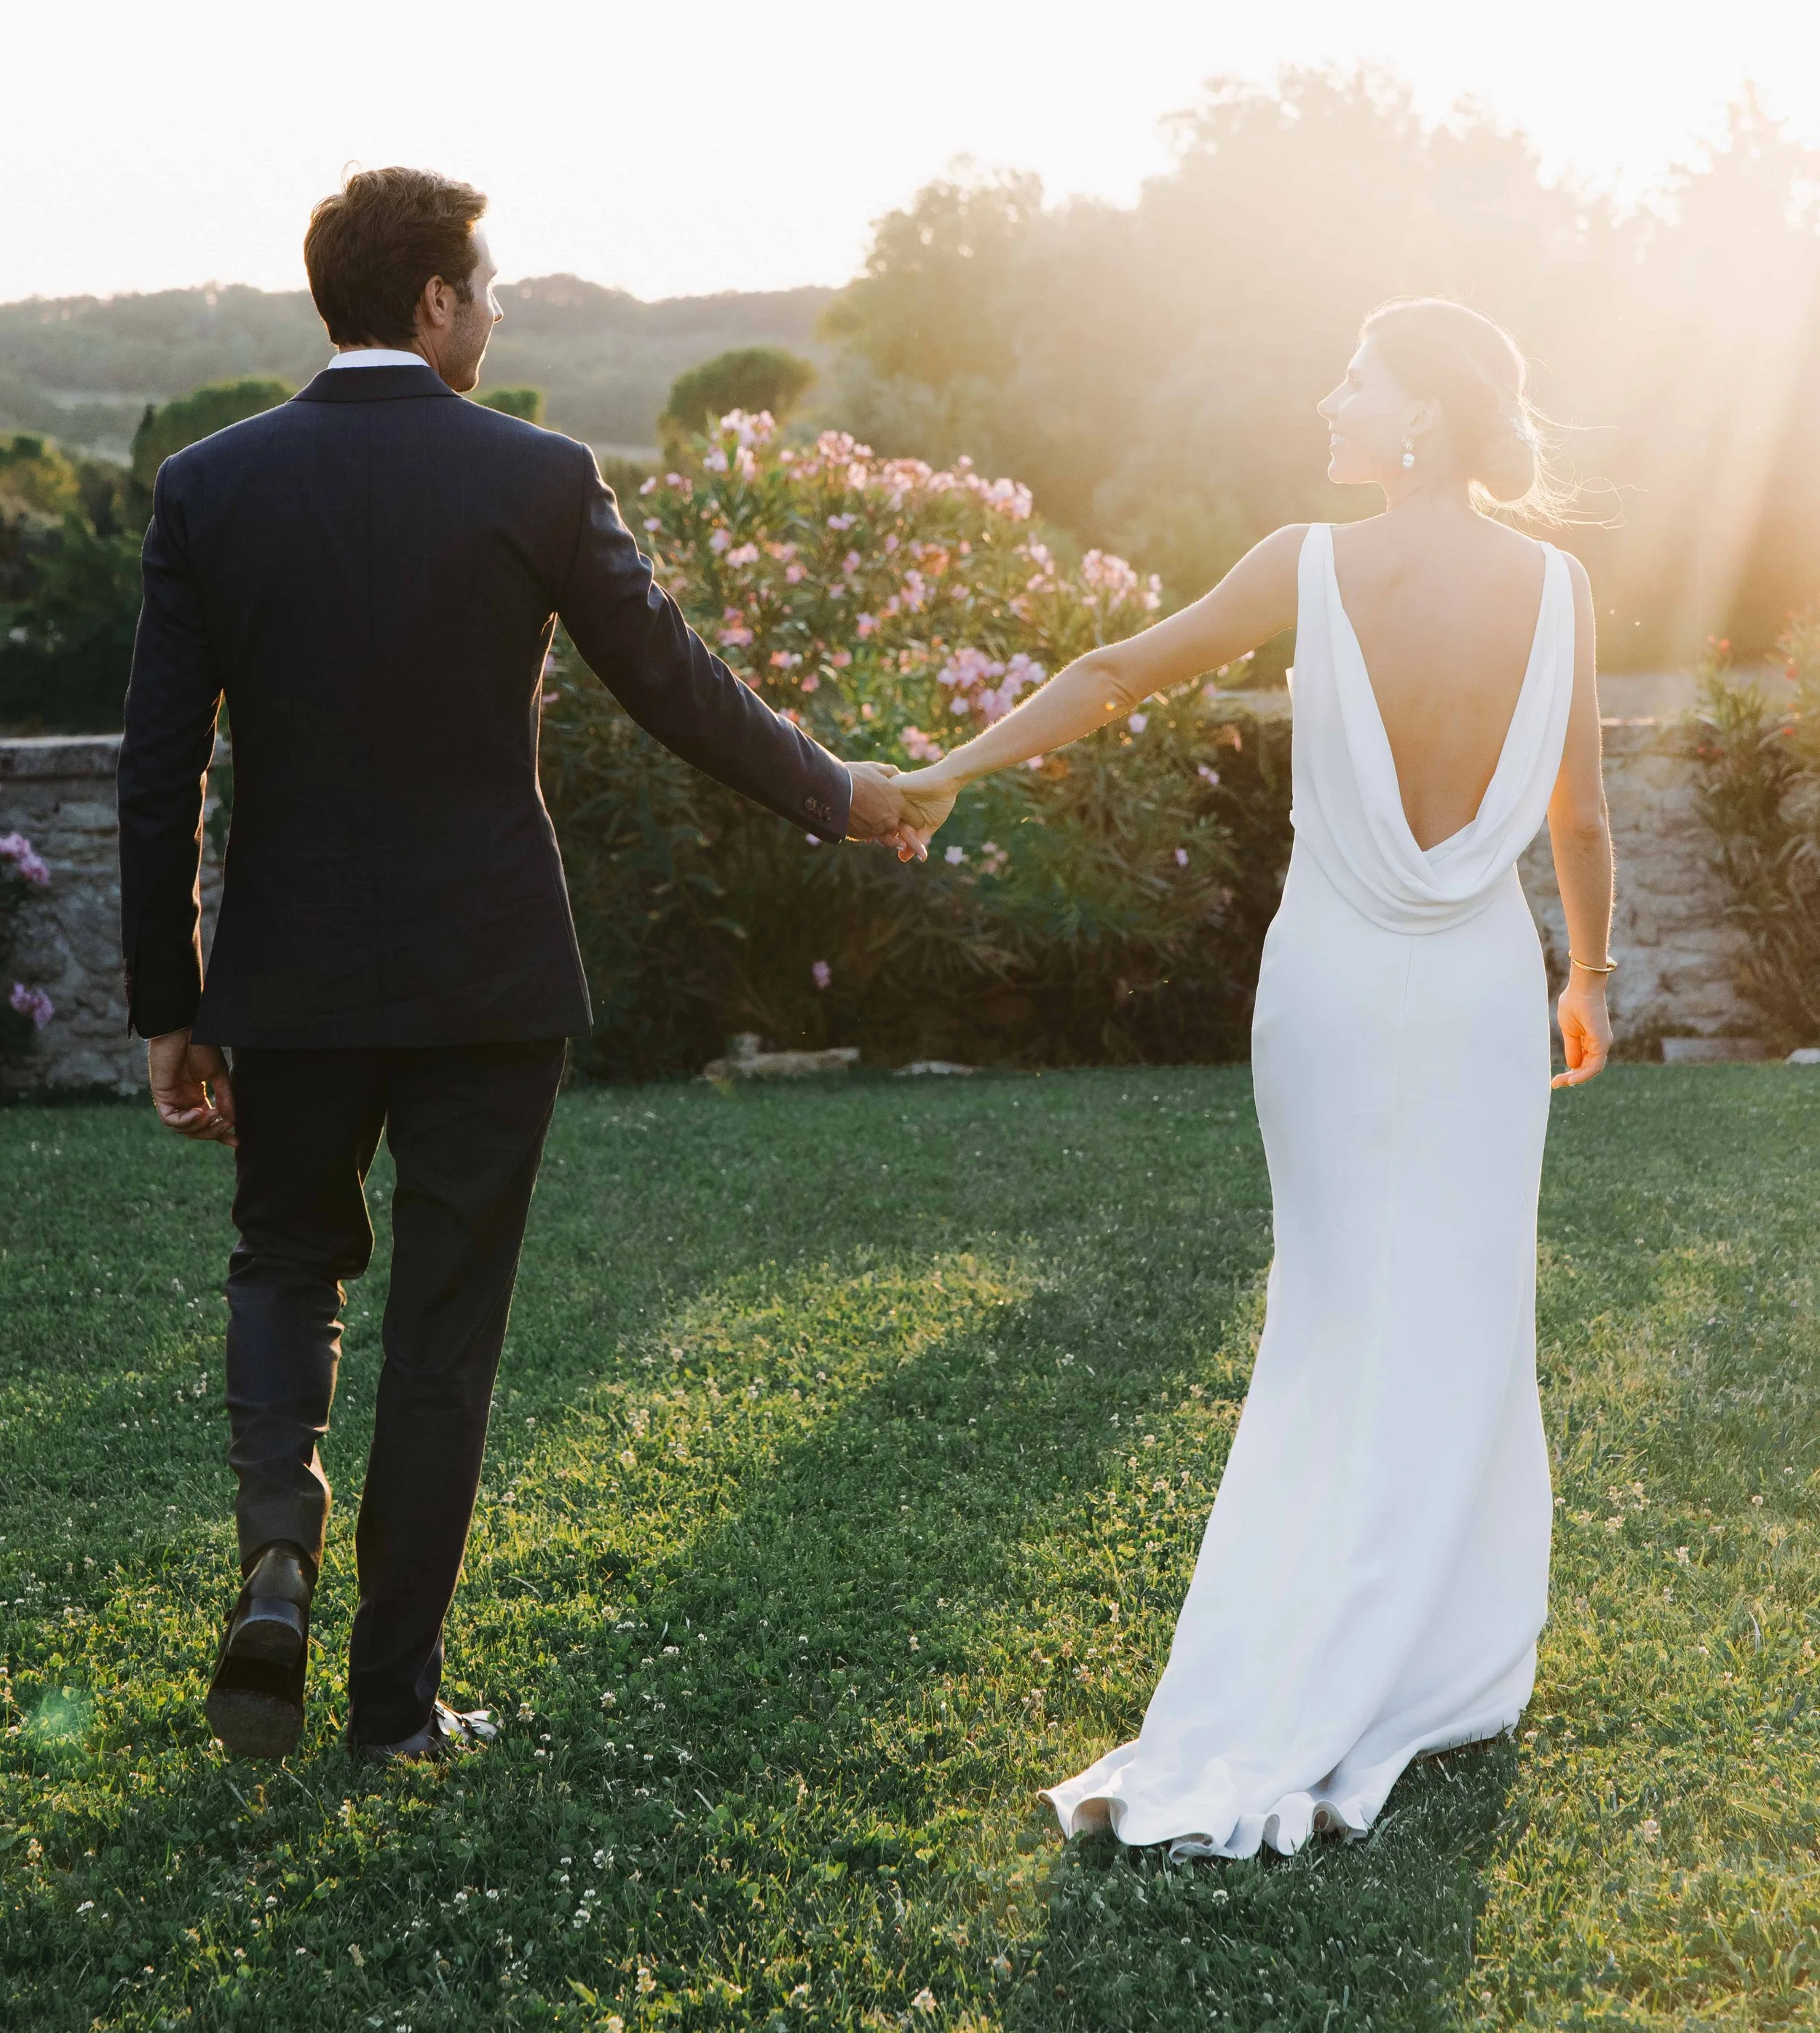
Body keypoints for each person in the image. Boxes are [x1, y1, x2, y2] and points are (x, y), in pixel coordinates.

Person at [116, 166, 912, 1766]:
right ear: (433, 302)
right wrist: (842, 793)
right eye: (487, 288)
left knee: (284, 1259)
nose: (497, 312)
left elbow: (158, 766)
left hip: (287, 977)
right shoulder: (538, 474)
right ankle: (393, 1708)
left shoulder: (209, 483)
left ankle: (278, 1547)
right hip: (487, 977)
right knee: (443, 1334)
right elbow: (674, 684)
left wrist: (169, 1001)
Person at [893, 297, 1613, 1858]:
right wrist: (1589, 977)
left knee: (1333, 1310)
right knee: (1462, 1304)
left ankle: (1311, 1637)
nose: (1329, 399)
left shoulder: (1306, 563)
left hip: (1332, 993)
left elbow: (1111, 672)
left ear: (1420, 412)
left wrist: (942, 772)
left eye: (1354, 378)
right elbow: (1579, 819)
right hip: (1480, 994)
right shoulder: (1555, 587)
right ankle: (1427, 1641)